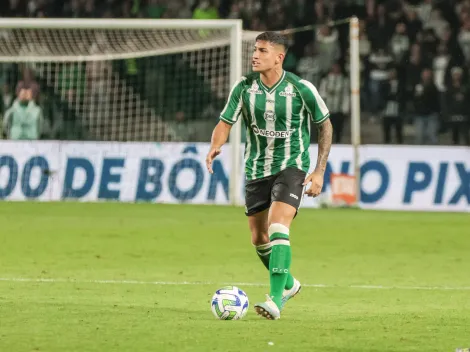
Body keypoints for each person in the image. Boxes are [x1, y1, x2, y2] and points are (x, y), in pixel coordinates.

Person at [205, 31, 333, 320]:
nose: (255, 55)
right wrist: (215, 145)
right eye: (255, 50)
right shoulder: (244, 87)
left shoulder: (301, 88)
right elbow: (225, 122)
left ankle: (275, 300)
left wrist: (319, 170)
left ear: (279, 57)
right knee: (258, 238)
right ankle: (288, 284)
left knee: (278, 226)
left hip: (292, 168)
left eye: (262, 51)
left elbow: (325, 125)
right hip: (256, 169)